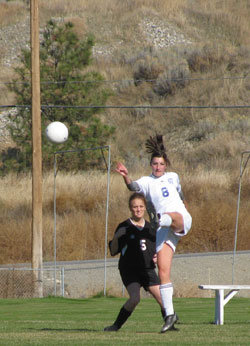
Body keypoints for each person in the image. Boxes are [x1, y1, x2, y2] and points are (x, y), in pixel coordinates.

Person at [115, 134, 192, 333]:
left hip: (178, 218)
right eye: (155, 164)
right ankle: (170, 316)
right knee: (163, 271)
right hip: (163, 230)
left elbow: (181, 195)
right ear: (151, 165)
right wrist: (125, 176)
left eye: (161, 164)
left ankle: (161, 218)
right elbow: (133, 187)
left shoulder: (173, 177)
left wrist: (184, 209)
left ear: (166, 165)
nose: (158, 167)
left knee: (169, 216)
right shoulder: (146, 182)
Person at [104, 192, 166, 332]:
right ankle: (115, 326)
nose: (138, 209)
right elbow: (113, 251)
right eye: (135, 207)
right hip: (130, 269)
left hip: (147, 269)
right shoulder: (124, 227)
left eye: (140, 206)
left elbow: (157, 248)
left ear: (145, 208)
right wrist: (116, 238)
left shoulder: (151, 228)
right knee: (135, 299)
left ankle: (169, 325)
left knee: (163, 298)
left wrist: (157, 256)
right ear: (130, 208)